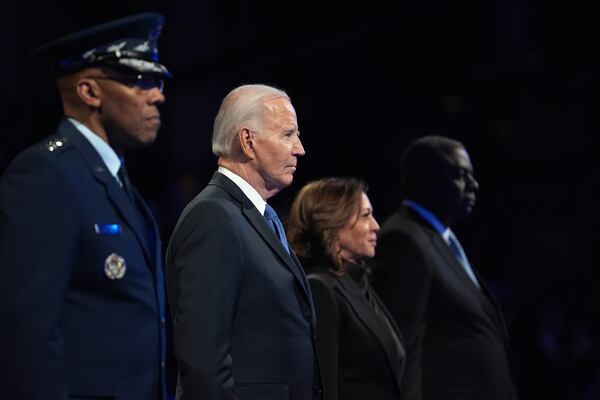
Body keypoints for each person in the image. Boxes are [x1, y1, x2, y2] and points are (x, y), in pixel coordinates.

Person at [0, 13, 170, 399]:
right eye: (137, 80)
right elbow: (26, 331)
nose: (157, 93)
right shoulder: (46, 174)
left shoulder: (113, 177)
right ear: (90, 93)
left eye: (156, 81)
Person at [165, 84, 322, 400]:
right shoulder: (213, 216)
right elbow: (203, 358)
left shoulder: (262, 215)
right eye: (288, 135)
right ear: (248, 141)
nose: (300, 148)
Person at [372, 135, 517, 400]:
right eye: (461, 174)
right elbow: (402, 343)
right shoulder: (403, 240)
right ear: (427, 178)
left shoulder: (438, 237)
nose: (473, 185)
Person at [287, 177, 406, 400]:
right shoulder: (321, 288)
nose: (376, 226)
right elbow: (325, 387)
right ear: (333, 227)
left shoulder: (359, 284)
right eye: (365, 216)